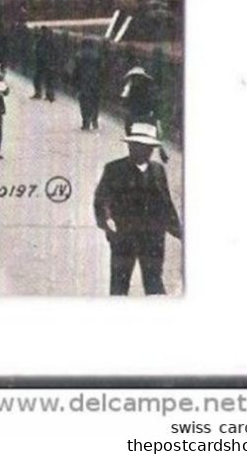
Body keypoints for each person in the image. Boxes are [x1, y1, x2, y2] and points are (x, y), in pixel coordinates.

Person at [92, 121, 182, 295]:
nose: (143, 151)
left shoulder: (158, 171)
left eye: (148, 147)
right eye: (137, 146)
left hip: (153, 238)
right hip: (124, 236)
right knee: (119, 284)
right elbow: (101, 199)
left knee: (154, 282)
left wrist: (178, 230)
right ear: (130, 147)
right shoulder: (114, 169)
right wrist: (107, 222)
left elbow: (166, 203)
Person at [75, 38, 103, 131]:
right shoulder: (97, 55)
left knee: (84, 101)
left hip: (83, 81)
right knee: (95, 101)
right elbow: (101, 69)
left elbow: (75, 70)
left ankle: (85, 121)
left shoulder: (79, 55)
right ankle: (94, 119)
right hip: (96, 80)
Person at [31, 30, 57, 102]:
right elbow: (54, 52)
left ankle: (39, 93)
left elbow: (37, 51)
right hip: (47, 62)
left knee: (38, 78)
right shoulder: (50, 42)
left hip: (41, 62)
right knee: (48, 80)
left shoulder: (40, 41)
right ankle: (49, 95)